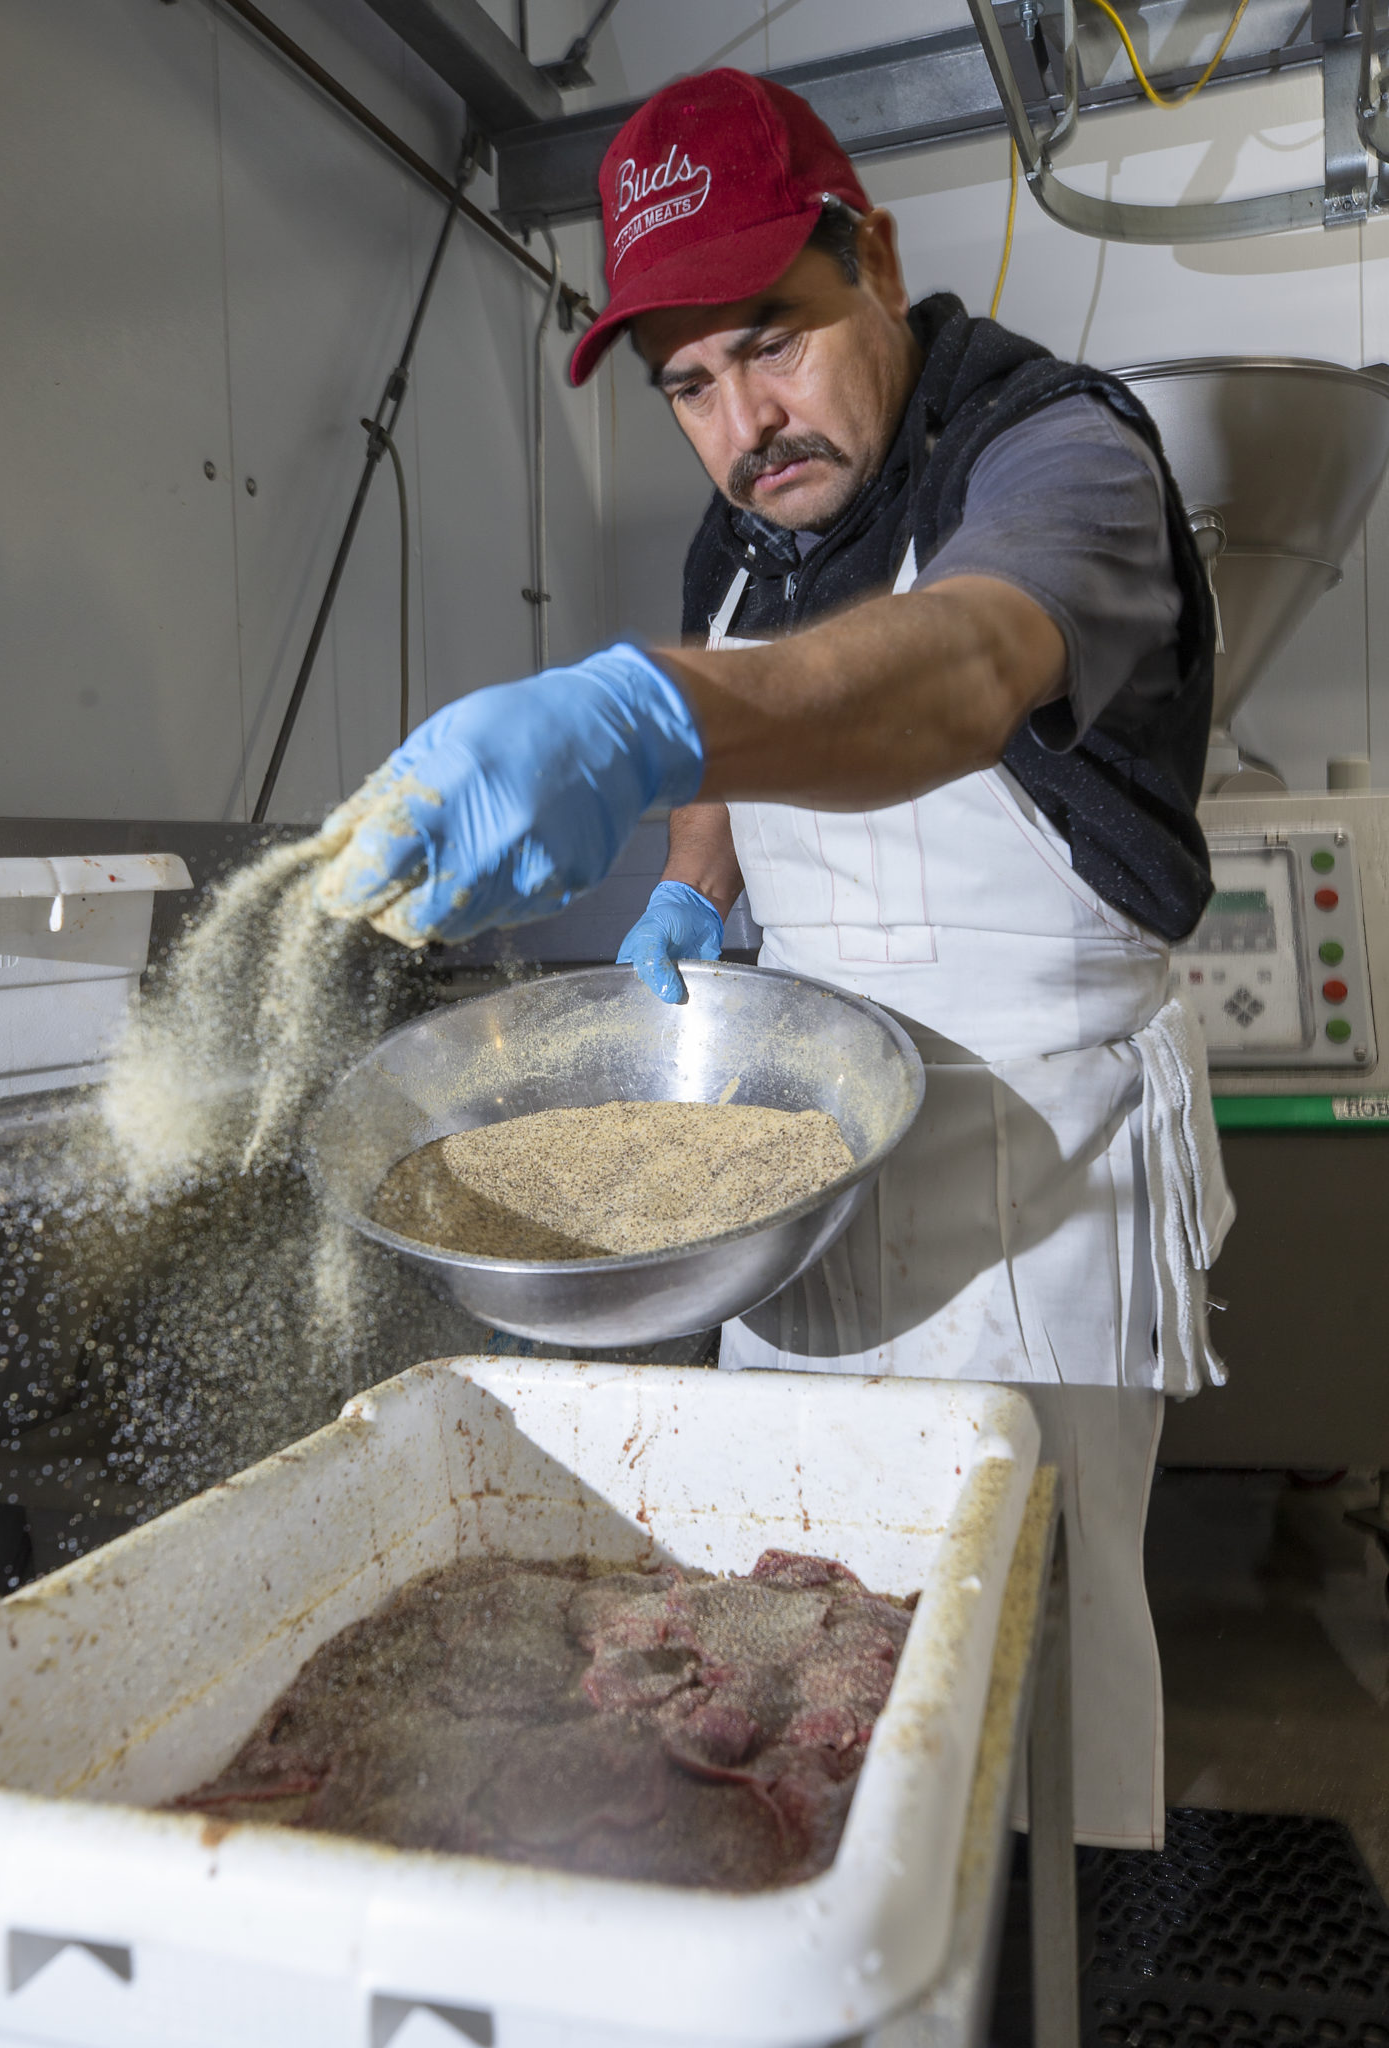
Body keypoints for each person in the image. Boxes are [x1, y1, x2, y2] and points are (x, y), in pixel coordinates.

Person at [316, 68, 1234, 1858]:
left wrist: (644, 712)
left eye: (776, 341)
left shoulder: (1058, 456)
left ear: (873, 260)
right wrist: (689, 881)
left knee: (1015, 1696)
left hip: (1027, 1192)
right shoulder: (747, 527)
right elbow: (748, 746)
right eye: (691, 385)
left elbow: (957, 670)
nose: (748, 421)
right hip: (808, 1176)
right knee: (792, 1653)